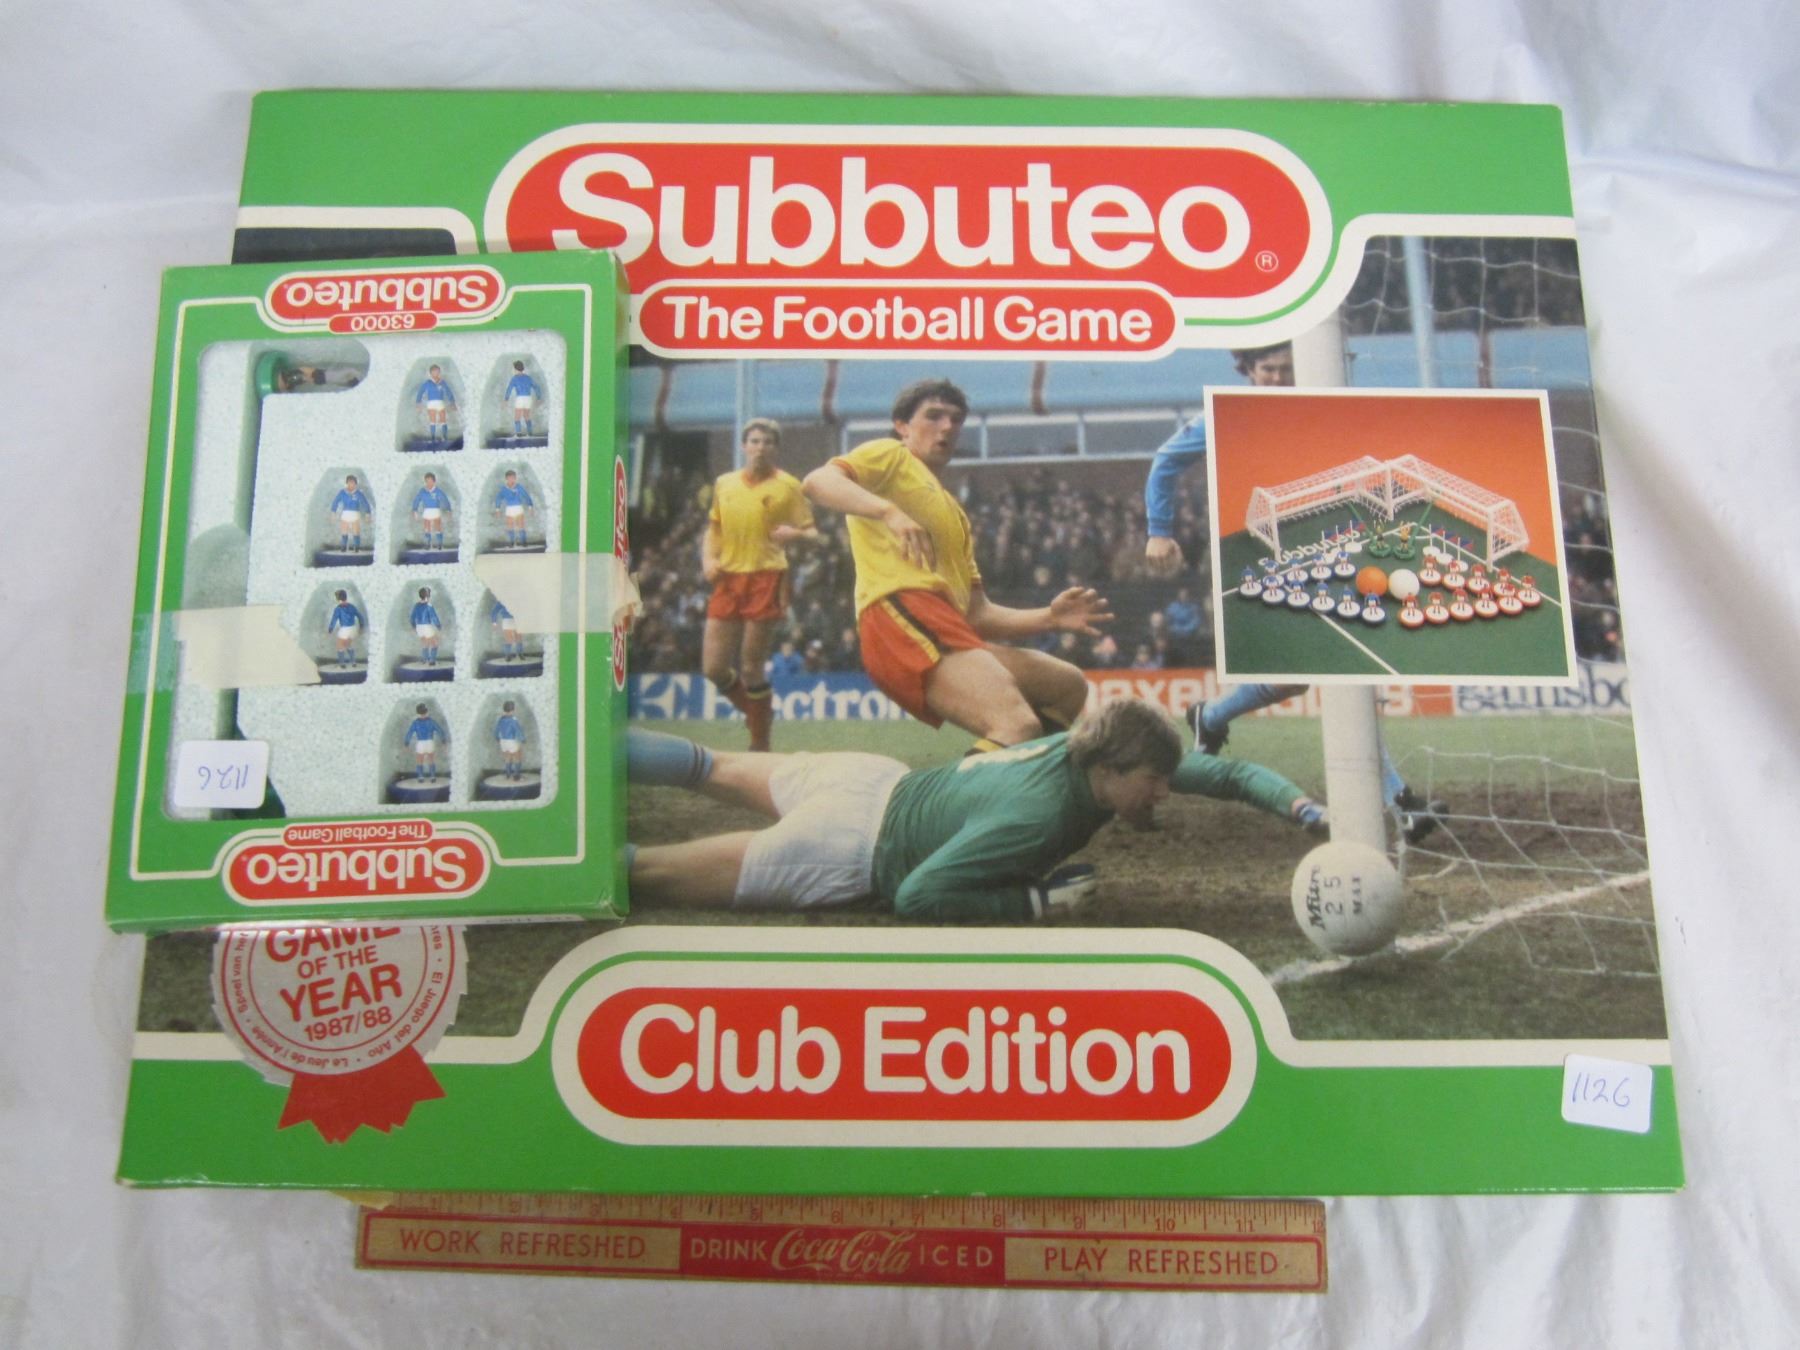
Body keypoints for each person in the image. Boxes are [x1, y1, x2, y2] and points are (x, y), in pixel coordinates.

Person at [627, 698, 1325, 922]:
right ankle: (559, 867)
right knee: (650, 873)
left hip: (869, 779)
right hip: (849, 849)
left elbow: (1229, 774)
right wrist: (1029, 904)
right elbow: (917, 894)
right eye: (1154, 782)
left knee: (705, 765)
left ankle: (584, 744)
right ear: (1110, 772)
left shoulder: (1087, 750)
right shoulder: (1039, 816)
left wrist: (1302, 809)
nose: (1165, 792)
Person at [1139, 342, 1445, 840]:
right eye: (1269, 370)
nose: (1279, 378)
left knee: (1303, 679)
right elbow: (1165, 461)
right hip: (1259, 561)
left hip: (1323, 554)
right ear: (1247, 369)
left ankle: (1211, 716)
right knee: (1344, 671)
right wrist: (1159, 530)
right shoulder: (1228, 414)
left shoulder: (1319, 409)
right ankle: (1400, 802)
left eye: (1287, 369)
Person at [803, 378, 1112, 752]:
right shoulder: (891, 454)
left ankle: (1023, 777)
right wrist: (887, 511)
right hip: (900, 616)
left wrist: (1049, 617)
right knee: (1016, 724)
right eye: (933, 416)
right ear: (902, 426)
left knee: (1067, 685)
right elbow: (817, 482)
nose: (947, 426)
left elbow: (977, 614)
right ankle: (952, 790)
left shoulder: (955, 514)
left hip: (943, 623)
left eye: (955, 419)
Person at [701, 419, 820, 752]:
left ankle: (760, 742)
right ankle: (759, 715)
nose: (760, 447)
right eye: (754, 441)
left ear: (775, 448)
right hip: (728, 578)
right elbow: (713, 530)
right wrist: (708, 560)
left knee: (751, 666)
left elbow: (813, 532)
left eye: (767, 442)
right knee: (713, 668)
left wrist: (795, 534)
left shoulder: (788, 486)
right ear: (744, 446)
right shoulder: (725, 483)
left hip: (767, 577)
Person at [327, 474, 373, 553]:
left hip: (355, 514)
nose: (351, 484)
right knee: (344, 531)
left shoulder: (358, 493)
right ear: (347, 483)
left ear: (355, 484)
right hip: (345, 515)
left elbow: (365, 503)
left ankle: (357, 548)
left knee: (356, 532)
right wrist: (333, 512)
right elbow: (336, 501)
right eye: (349, 482)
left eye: (352, 483)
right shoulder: (342, 492)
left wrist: (368, 513)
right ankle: (343, 547)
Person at [410, 472, 453, 550]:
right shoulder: (423, 491)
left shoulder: (438, 491)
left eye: (430, 481)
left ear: (434, 481)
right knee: (427, 527)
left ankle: (440, 543)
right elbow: (417, 499)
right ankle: (428, 543)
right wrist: (414, 509)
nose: (429, 483)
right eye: (427, 481)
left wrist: (448, 509)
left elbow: (444, 499)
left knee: (438, 526)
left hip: (435, 510)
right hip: (427, 510)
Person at [493, 469, 535, 547]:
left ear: (515, 478)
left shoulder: (519, 487)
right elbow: (498, 498)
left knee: (521, 525)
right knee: (510, 526)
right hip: (509, 509)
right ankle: (512, 542)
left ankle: (524, 542)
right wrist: (497, 509)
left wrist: (530, 506)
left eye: (513, 478)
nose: (512, 480)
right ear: (506, 479)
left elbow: (526, 496)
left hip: (518, 508)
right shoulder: (504, 489)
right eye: (510, 478)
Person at [415, 364, 456, 442]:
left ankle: (445, 437)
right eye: (434, 372)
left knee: (443, 420)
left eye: (437, 372)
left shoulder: (442, 382)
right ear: (431, 373)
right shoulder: (427, 383)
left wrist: (452, 402)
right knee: (432, 420)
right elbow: (420, 392)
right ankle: (433, 438)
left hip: (440, 403)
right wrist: (418, 402)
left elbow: (448, 391)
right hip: (431, 403)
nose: (436, 374)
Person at [404, 704, 445, 781]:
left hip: (420, 743)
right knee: (431, 759)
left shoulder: (415, 722)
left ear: (417, 713)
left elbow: (410, 732)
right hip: (430, 742)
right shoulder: (431, 722)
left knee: (420, 760)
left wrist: (406, 743)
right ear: (427, 712)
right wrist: (443, 740)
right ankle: (432, 776)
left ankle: (420, 777)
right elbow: (439, 730)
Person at [326, 589, 363, 667]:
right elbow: (360, 616)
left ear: (339, 599)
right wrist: (361, 626)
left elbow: (334, 619)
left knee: (340, 646)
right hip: (353, 629)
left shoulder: (338, 608)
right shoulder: (352, 607)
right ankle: (353, 662)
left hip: (345, 630)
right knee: (348, 644)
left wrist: (330, 629)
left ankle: (342, 664)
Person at [503, 360, 539, 437]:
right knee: (527, 416)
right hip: (528, 399)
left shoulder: (514, 378)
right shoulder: (528, 378)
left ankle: (518, 433)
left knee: (517, 417)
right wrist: (539, 397)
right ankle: (530, 433)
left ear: (516, 369)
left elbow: (509, 389)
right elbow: (536, 387)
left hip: (520, 398)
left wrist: (506, 399)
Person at [409, 586, 443, 665]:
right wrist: (438, 625)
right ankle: (432, 661)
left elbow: (412, 617)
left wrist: (413, 625)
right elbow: (434, 617)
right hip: (427, 626)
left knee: (425, 643)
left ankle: (425, 660)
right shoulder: (429, 605)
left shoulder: (416, 605)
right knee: (435, 643)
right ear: (428, 596)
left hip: (419, 627)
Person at [494, 701, 526, 780]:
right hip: (512, 741)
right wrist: (522, 739)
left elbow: (496, 730)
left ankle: (508, 774)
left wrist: (497, 737)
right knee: (517, 757)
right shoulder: (513, 720)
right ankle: (517, 775)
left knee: (507, 757)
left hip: (503, 741)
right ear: (512, 710)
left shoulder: (500, 719)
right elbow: (517, 730)